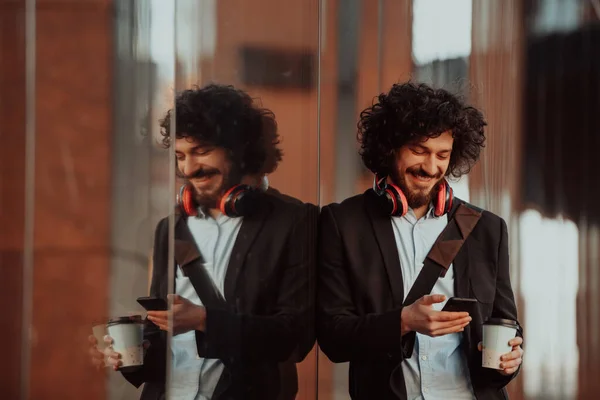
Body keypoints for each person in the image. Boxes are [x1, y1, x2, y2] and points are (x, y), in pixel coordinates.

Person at [89, 84, 317, 400]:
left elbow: (295, 339)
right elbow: (165, 337)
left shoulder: (295, 221)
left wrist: (205, 320)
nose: (187, 168)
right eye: (180, 155)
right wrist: (133, 354)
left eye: (201, 151)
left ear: (239, 149)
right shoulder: (171, 228)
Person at [317, 82, 524, 400]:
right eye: (419, 150)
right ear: (390, 148)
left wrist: (511, 358)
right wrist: (402, 321)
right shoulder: (342, 223)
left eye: (443, 155)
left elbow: (504, 322)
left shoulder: (487, 229)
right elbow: (333, 337)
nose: (431, 167)